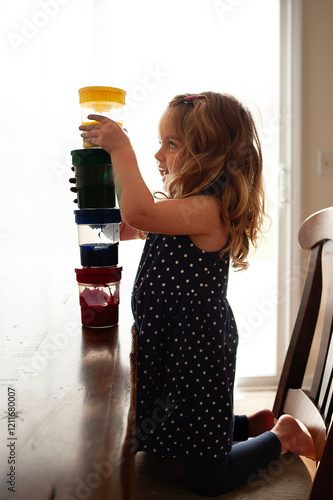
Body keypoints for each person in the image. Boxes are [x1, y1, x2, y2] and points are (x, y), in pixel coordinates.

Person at [78, 92, 315, 496]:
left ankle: (283, 436)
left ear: (210, 157)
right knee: (164, 424)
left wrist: (122, 148)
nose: (158, 154)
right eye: (160, 142)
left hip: (197, 348)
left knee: (207, 478)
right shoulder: (179, 207)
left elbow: (141, 214)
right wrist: (99, 189)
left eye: (171, 144)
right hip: (170, 340)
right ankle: (248, 424)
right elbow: (129, 225)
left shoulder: (208, 210)